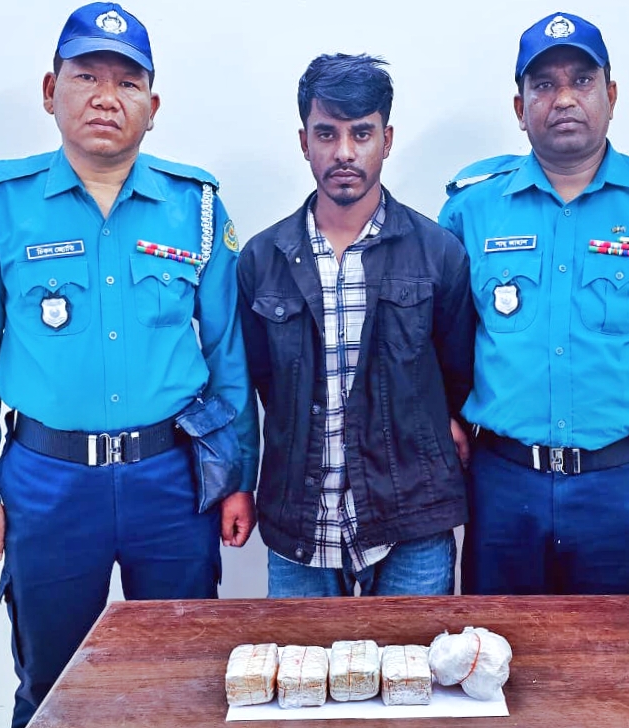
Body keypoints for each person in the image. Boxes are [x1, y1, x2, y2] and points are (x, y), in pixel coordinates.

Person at [0, 4, 258, 725]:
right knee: (53, 688)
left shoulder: (197, 206)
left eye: (127, 82)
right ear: (50, 90)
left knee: (182, 683)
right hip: (47, 484)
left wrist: (239, 478)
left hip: (172, 481)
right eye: (86, 76)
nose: (106, 97)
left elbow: (227, 355)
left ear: (153, 106)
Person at [439, 12, 629, 611]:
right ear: (520, 107)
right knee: (499, 659)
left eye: (581, 80)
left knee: (627, 664)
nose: (564, 98)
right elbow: (432, 337)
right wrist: (438, 417)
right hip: (503, 491)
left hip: (625, 491)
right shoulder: (471, 209)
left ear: (612, 95)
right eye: (544, 85)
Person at [237, 54, 476, 598]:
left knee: (413, 657)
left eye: (361, 133)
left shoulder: (438, 253)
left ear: (386, 140)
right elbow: (264, 383)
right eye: (327, 133)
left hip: (413, 519)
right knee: (298, 658)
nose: (344, 152)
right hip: (301, 524)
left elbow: (458, 370)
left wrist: (438, 422)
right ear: (304, 142)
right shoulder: (262, 260)